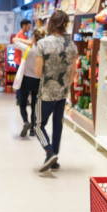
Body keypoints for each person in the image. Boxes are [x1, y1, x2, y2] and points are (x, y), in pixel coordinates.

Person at [34, 10, 78, 172]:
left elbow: (38, 72)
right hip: (62, 93)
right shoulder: (71, 45)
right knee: (57, 124)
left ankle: (49, 151)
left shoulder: (43, 44)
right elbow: (73, 73)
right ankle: (54, 159)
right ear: (66, 25)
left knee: (37, 125)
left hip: (46, 93)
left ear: (51, 23)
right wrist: (65, 85)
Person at [14, 28, 46, 137]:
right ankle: (33, 129)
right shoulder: (44, 51)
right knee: (34, 105)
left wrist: (24, 40)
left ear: (33, 38)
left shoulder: (26, 48)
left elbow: (14, 40)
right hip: (38, 80)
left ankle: (26, 122)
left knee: (22, 104)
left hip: (26, 80)